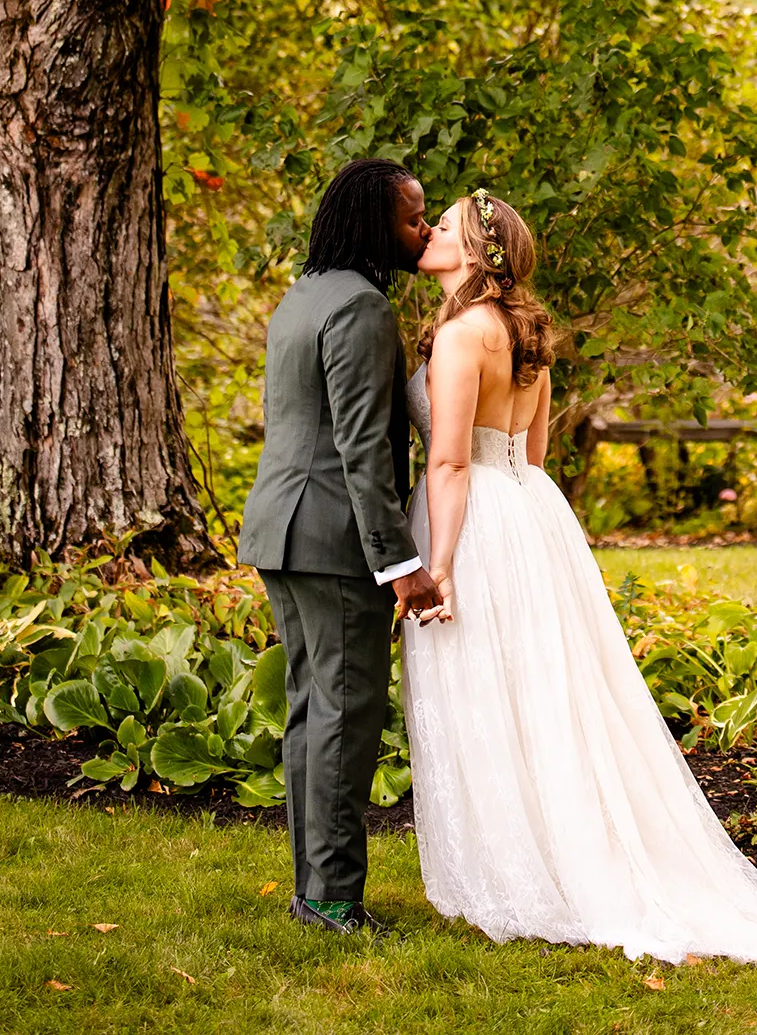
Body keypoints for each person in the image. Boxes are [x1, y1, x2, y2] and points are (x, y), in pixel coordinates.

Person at [400, 189, 757, 967]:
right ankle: (553, 847)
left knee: (485, 691)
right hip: (532, 515)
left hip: (471, 520)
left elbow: (449, 458)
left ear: (475, 251)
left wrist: (439, 565)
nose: (428, 235)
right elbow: (531, 453)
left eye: (442, 229)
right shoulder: (525, 332)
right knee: (547, 695)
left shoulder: (464, 332)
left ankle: (523, 867)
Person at [238, 157, 443, 933]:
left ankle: (313, 889)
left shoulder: (304, 296)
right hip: (331, 542)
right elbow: (362, 450)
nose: (422, 230)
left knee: (313, 710)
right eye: (412, 218)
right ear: (372, 223)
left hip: (282, 530)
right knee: (347, 714)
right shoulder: (360, 308)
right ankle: (330, 899)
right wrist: (400, 563)